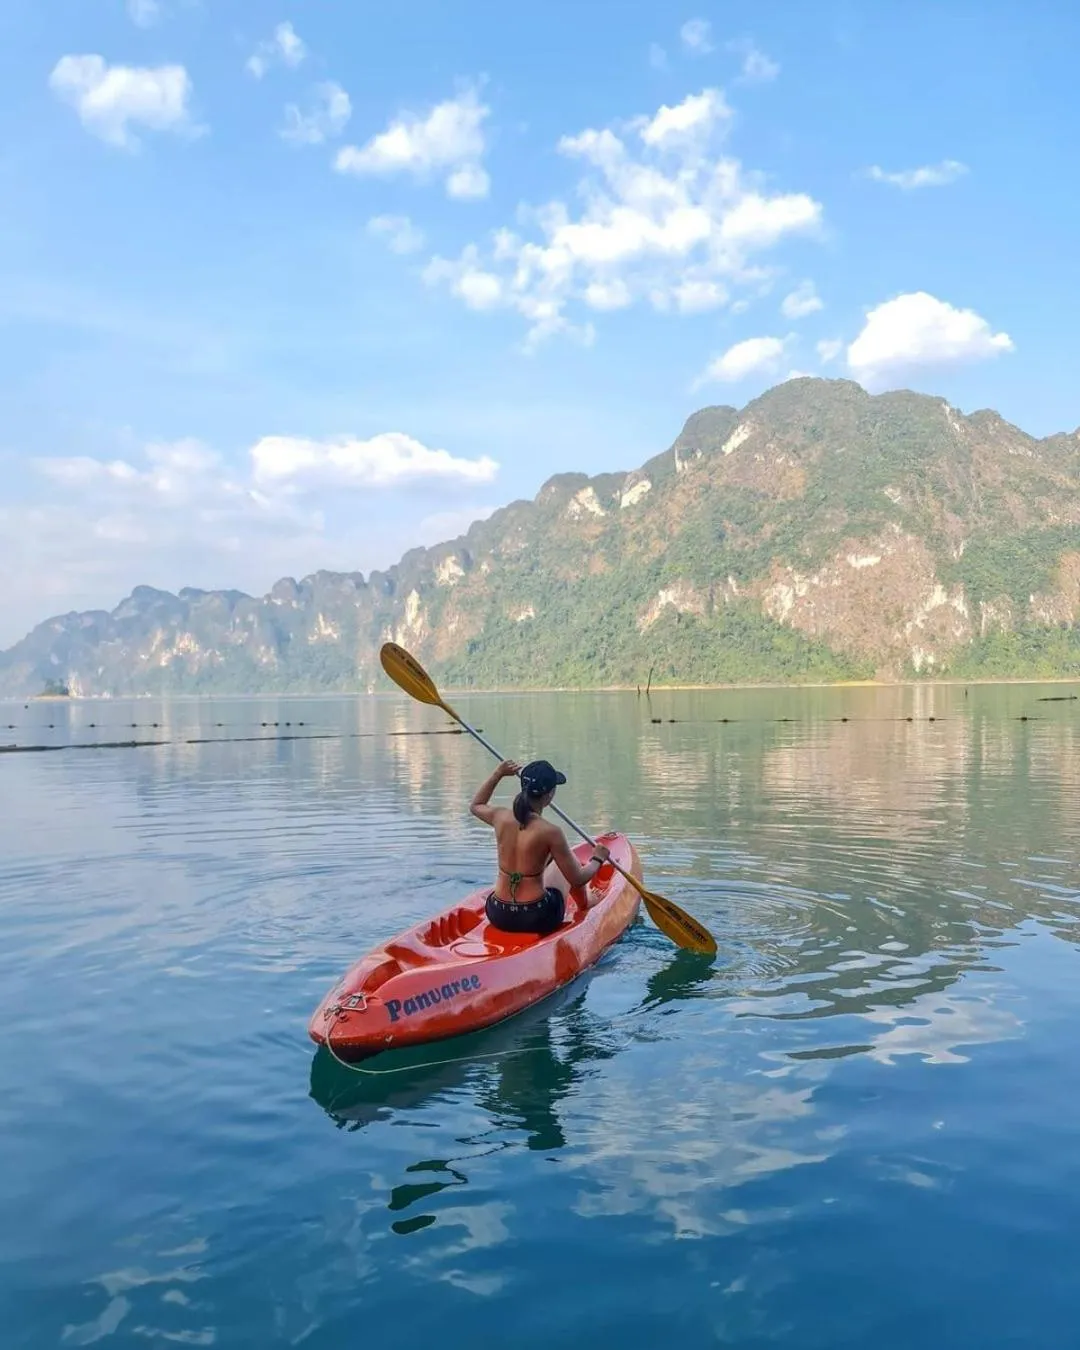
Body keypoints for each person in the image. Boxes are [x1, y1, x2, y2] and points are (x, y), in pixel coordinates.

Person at [470, 758, 611, 936]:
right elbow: (577, 879)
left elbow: (476, 806)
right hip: (537, 917)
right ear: (550, 794)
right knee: (570, 862)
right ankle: (586, 903)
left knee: (548, 860)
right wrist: (598, 858)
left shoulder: (500, 816)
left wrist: (498, 774)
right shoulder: (551, 832)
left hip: (498, 912)